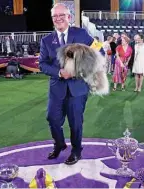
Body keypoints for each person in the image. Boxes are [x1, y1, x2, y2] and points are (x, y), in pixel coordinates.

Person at [39, 3, 104, 165]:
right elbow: (42, 64)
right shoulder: (46, 40)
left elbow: (99, 51)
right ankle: (59, 144)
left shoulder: (81, 33)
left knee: (75, 122)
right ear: (52, 19)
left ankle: (76, 151)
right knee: (52, 119)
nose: (58, 19)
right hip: (57, 88)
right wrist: (59, 72)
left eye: (62, 15)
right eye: (55, 16)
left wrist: (79, 69)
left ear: (69, 17)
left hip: (78, 88)